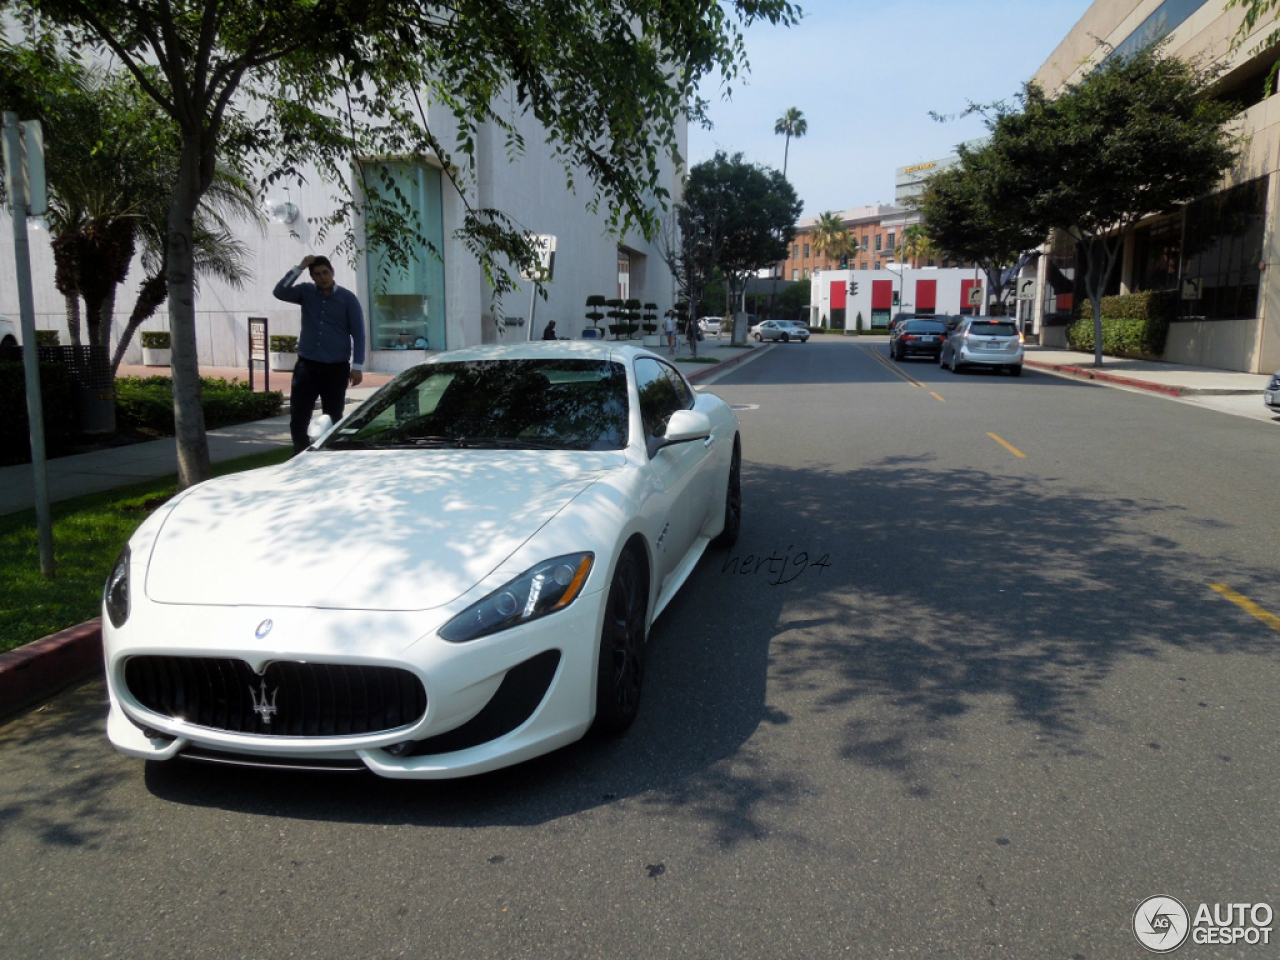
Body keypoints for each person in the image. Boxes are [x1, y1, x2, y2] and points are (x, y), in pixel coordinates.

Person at [274, 254, 365, 455]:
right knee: (299, 416)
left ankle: (329, 454)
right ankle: (300, 454)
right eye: (317, 274)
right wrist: (299, 267)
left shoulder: (347, 299)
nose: (322, 277)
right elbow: (279, 292)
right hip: (307, 366)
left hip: (336, 368)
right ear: (312, 277)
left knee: (332, 416)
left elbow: (358, 333)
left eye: (325, 273)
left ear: (332, 273)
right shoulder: (305, 293)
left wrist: (357, 367)